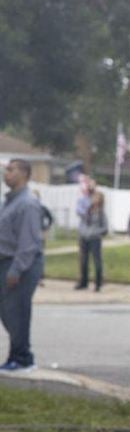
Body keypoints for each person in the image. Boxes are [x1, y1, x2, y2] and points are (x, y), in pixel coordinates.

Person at [0, 159, 44, 372]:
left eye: (11, 170)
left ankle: (22, 358)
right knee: (7, 311)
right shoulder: (8, 202)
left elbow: (28, 242)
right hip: (6, 261)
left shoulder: (28, 203)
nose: (5, 173)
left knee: (17, 310)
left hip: (21, 264)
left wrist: (16, 269)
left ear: (24, 173)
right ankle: (18, 355)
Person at [76, 191, 107, 291]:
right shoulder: (87, 211)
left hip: (95, 239)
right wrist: (82, 232)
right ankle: (83, 282)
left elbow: (105, 228)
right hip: (84, 238)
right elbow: (82, 222)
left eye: (96, 197)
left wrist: (95, 232)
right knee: (84, 261)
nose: (94, 199)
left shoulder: (101, 213)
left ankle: (98, 283)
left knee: (97, 261)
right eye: (93, 197)